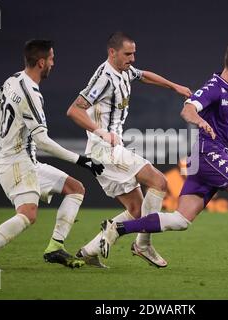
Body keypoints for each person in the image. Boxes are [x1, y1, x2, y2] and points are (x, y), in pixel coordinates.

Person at [99, 42, 228, 272]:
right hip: (209, 154)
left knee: (181, 220)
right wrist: (200, 120)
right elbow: (187, 109)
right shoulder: (214, 87)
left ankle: (117, 228)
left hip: (206, 159)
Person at [0, 39, 104, 270]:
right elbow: (43, 142)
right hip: (16, 164)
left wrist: (0, 138)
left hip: (24, 160)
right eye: (51, 59)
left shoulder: (12, 80)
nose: (53, 63)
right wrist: (81, 160)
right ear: (41, 62)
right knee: (28, 215)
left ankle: (55, 248)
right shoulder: (32, 95)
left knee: (75, 188)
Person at [67, 31, 192, 268]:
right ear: (111, 52)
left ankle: (88, 251)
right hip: (104, 150)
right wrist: (100, 131)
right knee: (159, 181)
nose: (132, 58)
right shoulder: (104, 77)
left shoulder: (124, 71)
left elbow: (143, 75)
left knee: (136, 210)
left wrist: (173, 86)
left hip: (111, 150)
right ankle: (142, 245)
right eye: (127, 54)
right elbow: (74, 110)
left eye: (134, 53)